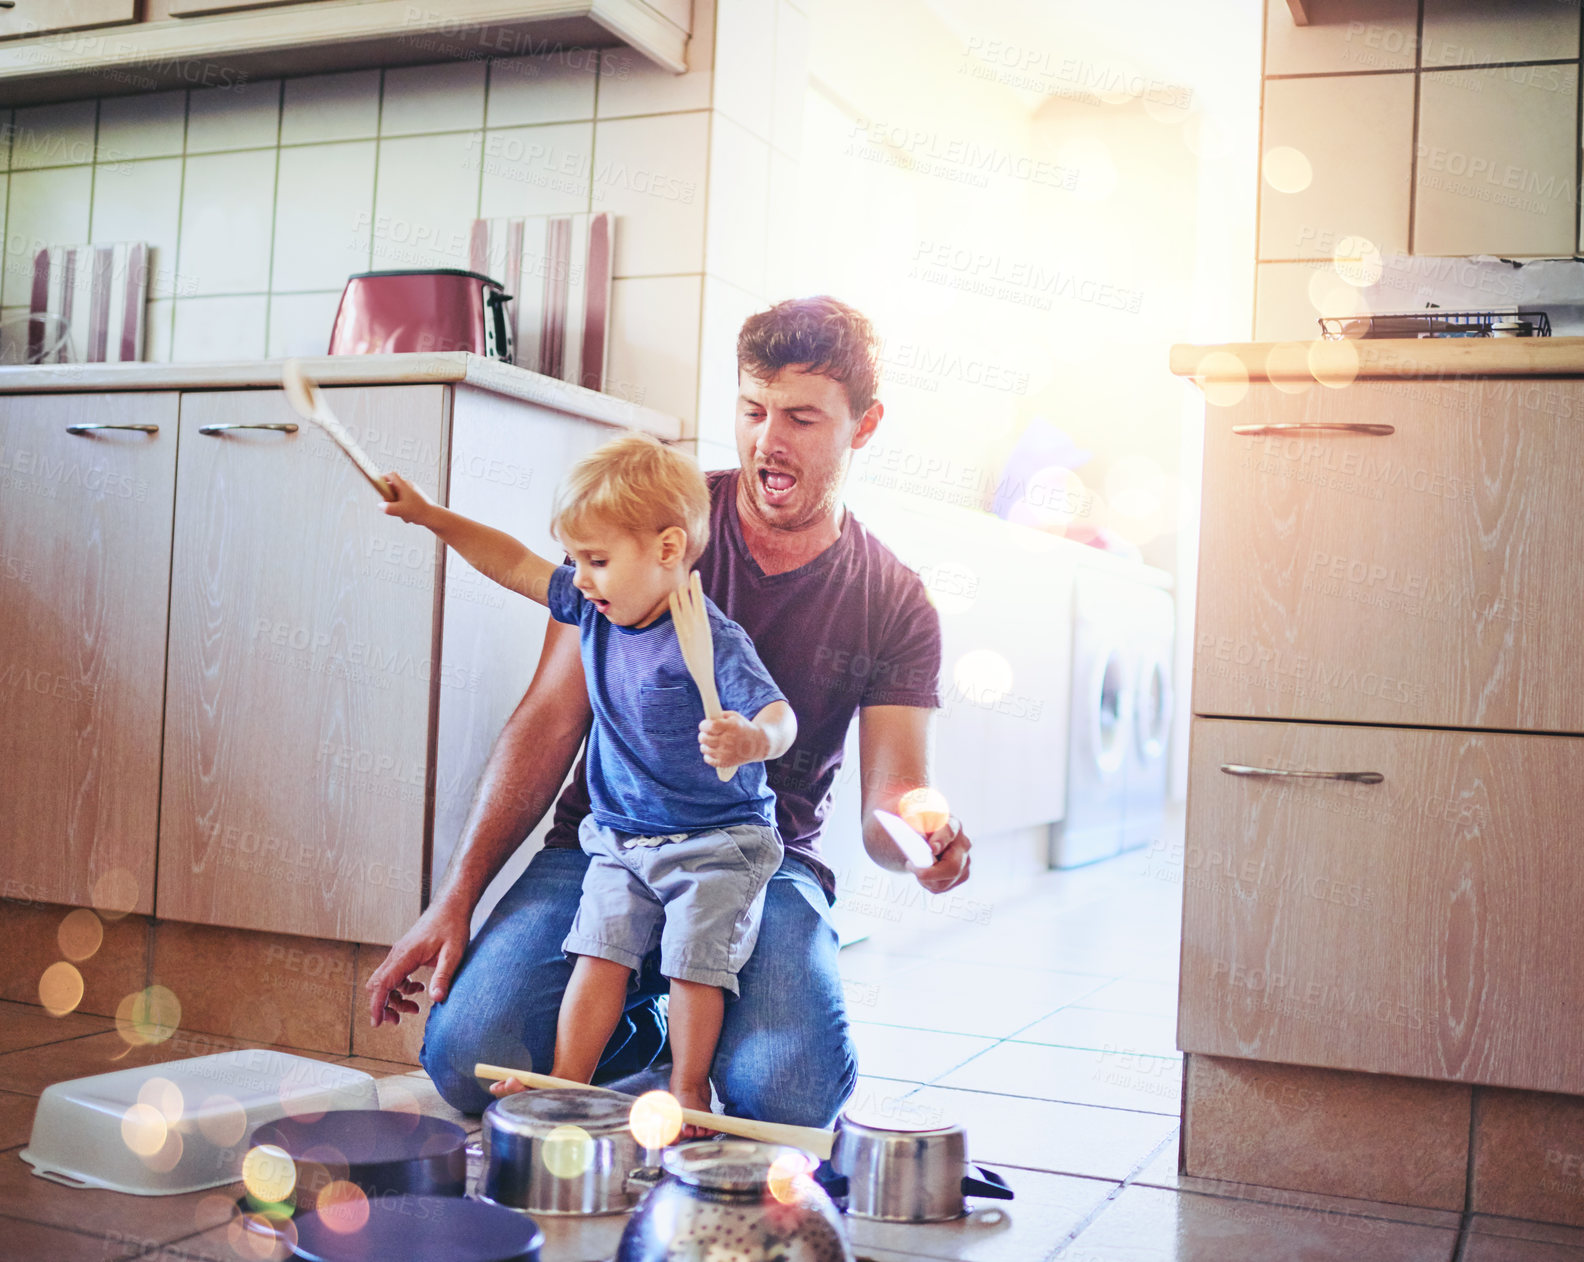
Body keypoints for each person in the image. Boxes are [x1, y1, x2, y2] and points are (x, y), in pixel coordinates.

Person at [366, 295, 974, 1127]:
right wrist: (457, 896)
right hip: (609, 841)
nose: (769, 440)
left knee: (784, 1098)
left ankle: (704, 1019)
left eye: (801, 418)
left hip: (759, 858)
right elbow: (548, 718)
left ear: (863, 427)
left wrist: (920, 842)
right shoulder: (646, 523)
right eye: (753, 410)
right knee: (472, 1056)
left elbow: (889, 801)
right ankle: (651, 1022)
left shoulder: (895, 599)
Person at [379, 432, 796, 1122]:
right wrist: (432, 516)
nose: (577, 577)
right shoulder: (591, 607)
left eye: (596, 560)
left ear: (667, 550)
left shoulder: (712, 637)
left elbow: (780, 716)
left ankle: (689, 1089)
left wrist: (752, 738)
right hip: (620, 837)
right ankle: (569, 1078)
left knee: (696, 963)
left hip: (717, 841)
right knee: (596, 951)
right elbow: (512, 562)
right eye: (575, 559)